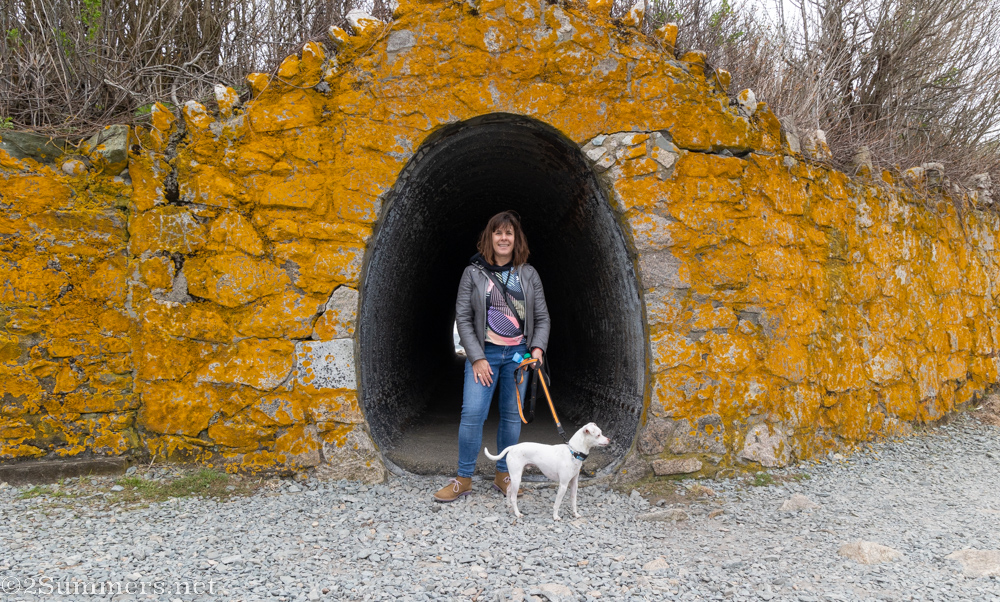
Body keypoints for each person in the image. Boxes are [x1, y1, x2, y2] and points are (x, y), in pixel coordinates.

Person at [433, 211, 550, 502]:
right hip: (485, 354)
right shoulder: (472, 273)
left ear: (516, 239)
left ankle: (503, 475)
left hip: (519, 356)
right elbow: (462, 317)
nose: (503, 238)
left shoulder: (528, 274)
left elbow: (542, 317)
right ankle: (463, 479)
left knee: (511, 416)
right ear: (490, 237)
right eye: (498, 233)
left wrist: (537, 349)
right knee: (473, 414)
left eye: (509, 233)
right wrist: (476, 357)